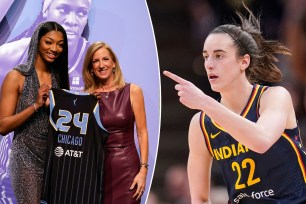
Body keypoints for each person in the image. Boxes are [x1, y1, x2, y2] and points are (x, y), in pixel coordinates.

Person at [164, 3, 306, 204]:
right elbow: (200, 199)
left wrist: (205, 102)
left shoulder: (274, 97)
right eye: (206, 56)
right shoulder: (201, 124)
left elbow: (261, 140)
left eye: (219, 56)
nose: (209, 64)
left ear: (244, 61)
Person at [0, 21, 69, 204]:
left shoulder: (60, 79)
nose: (54, 48)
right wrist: (35, 106)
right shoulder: (16, 76)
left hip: (55, 157)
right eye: (49, 42)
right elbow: (3, 126)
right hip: (25, 158)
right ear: (37, 42)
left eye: (60, 44)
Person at [82, 41, 149, 203]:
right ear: (91, 68)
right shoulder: (86, 98)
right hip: (96, 171)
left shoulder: (133, 91)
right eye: (95, 61)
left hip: (126, 169)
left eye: (105, 59)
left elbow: (142, 132)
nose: (101, 65)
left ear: (113, 64)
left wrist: (143, 171)